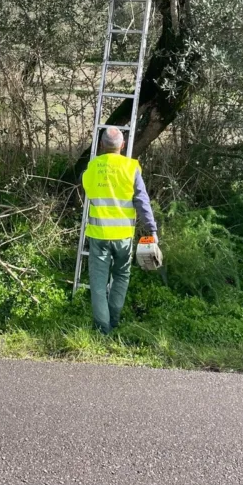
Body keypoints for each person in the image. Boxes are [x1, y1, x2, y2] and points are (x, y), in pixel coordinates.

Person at [81, 126, 158, 335]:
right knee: (121, 277)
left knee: (98, 283)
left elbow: (87, 188)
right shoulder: (131, 167)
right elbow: (142, 202)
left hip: (98, 236)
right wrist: (152, 230)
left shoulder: (93, 166)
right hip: (123, 237)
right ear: (122, 146)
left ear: (100, 146)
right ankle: (113, 321)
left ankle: (102, 329)